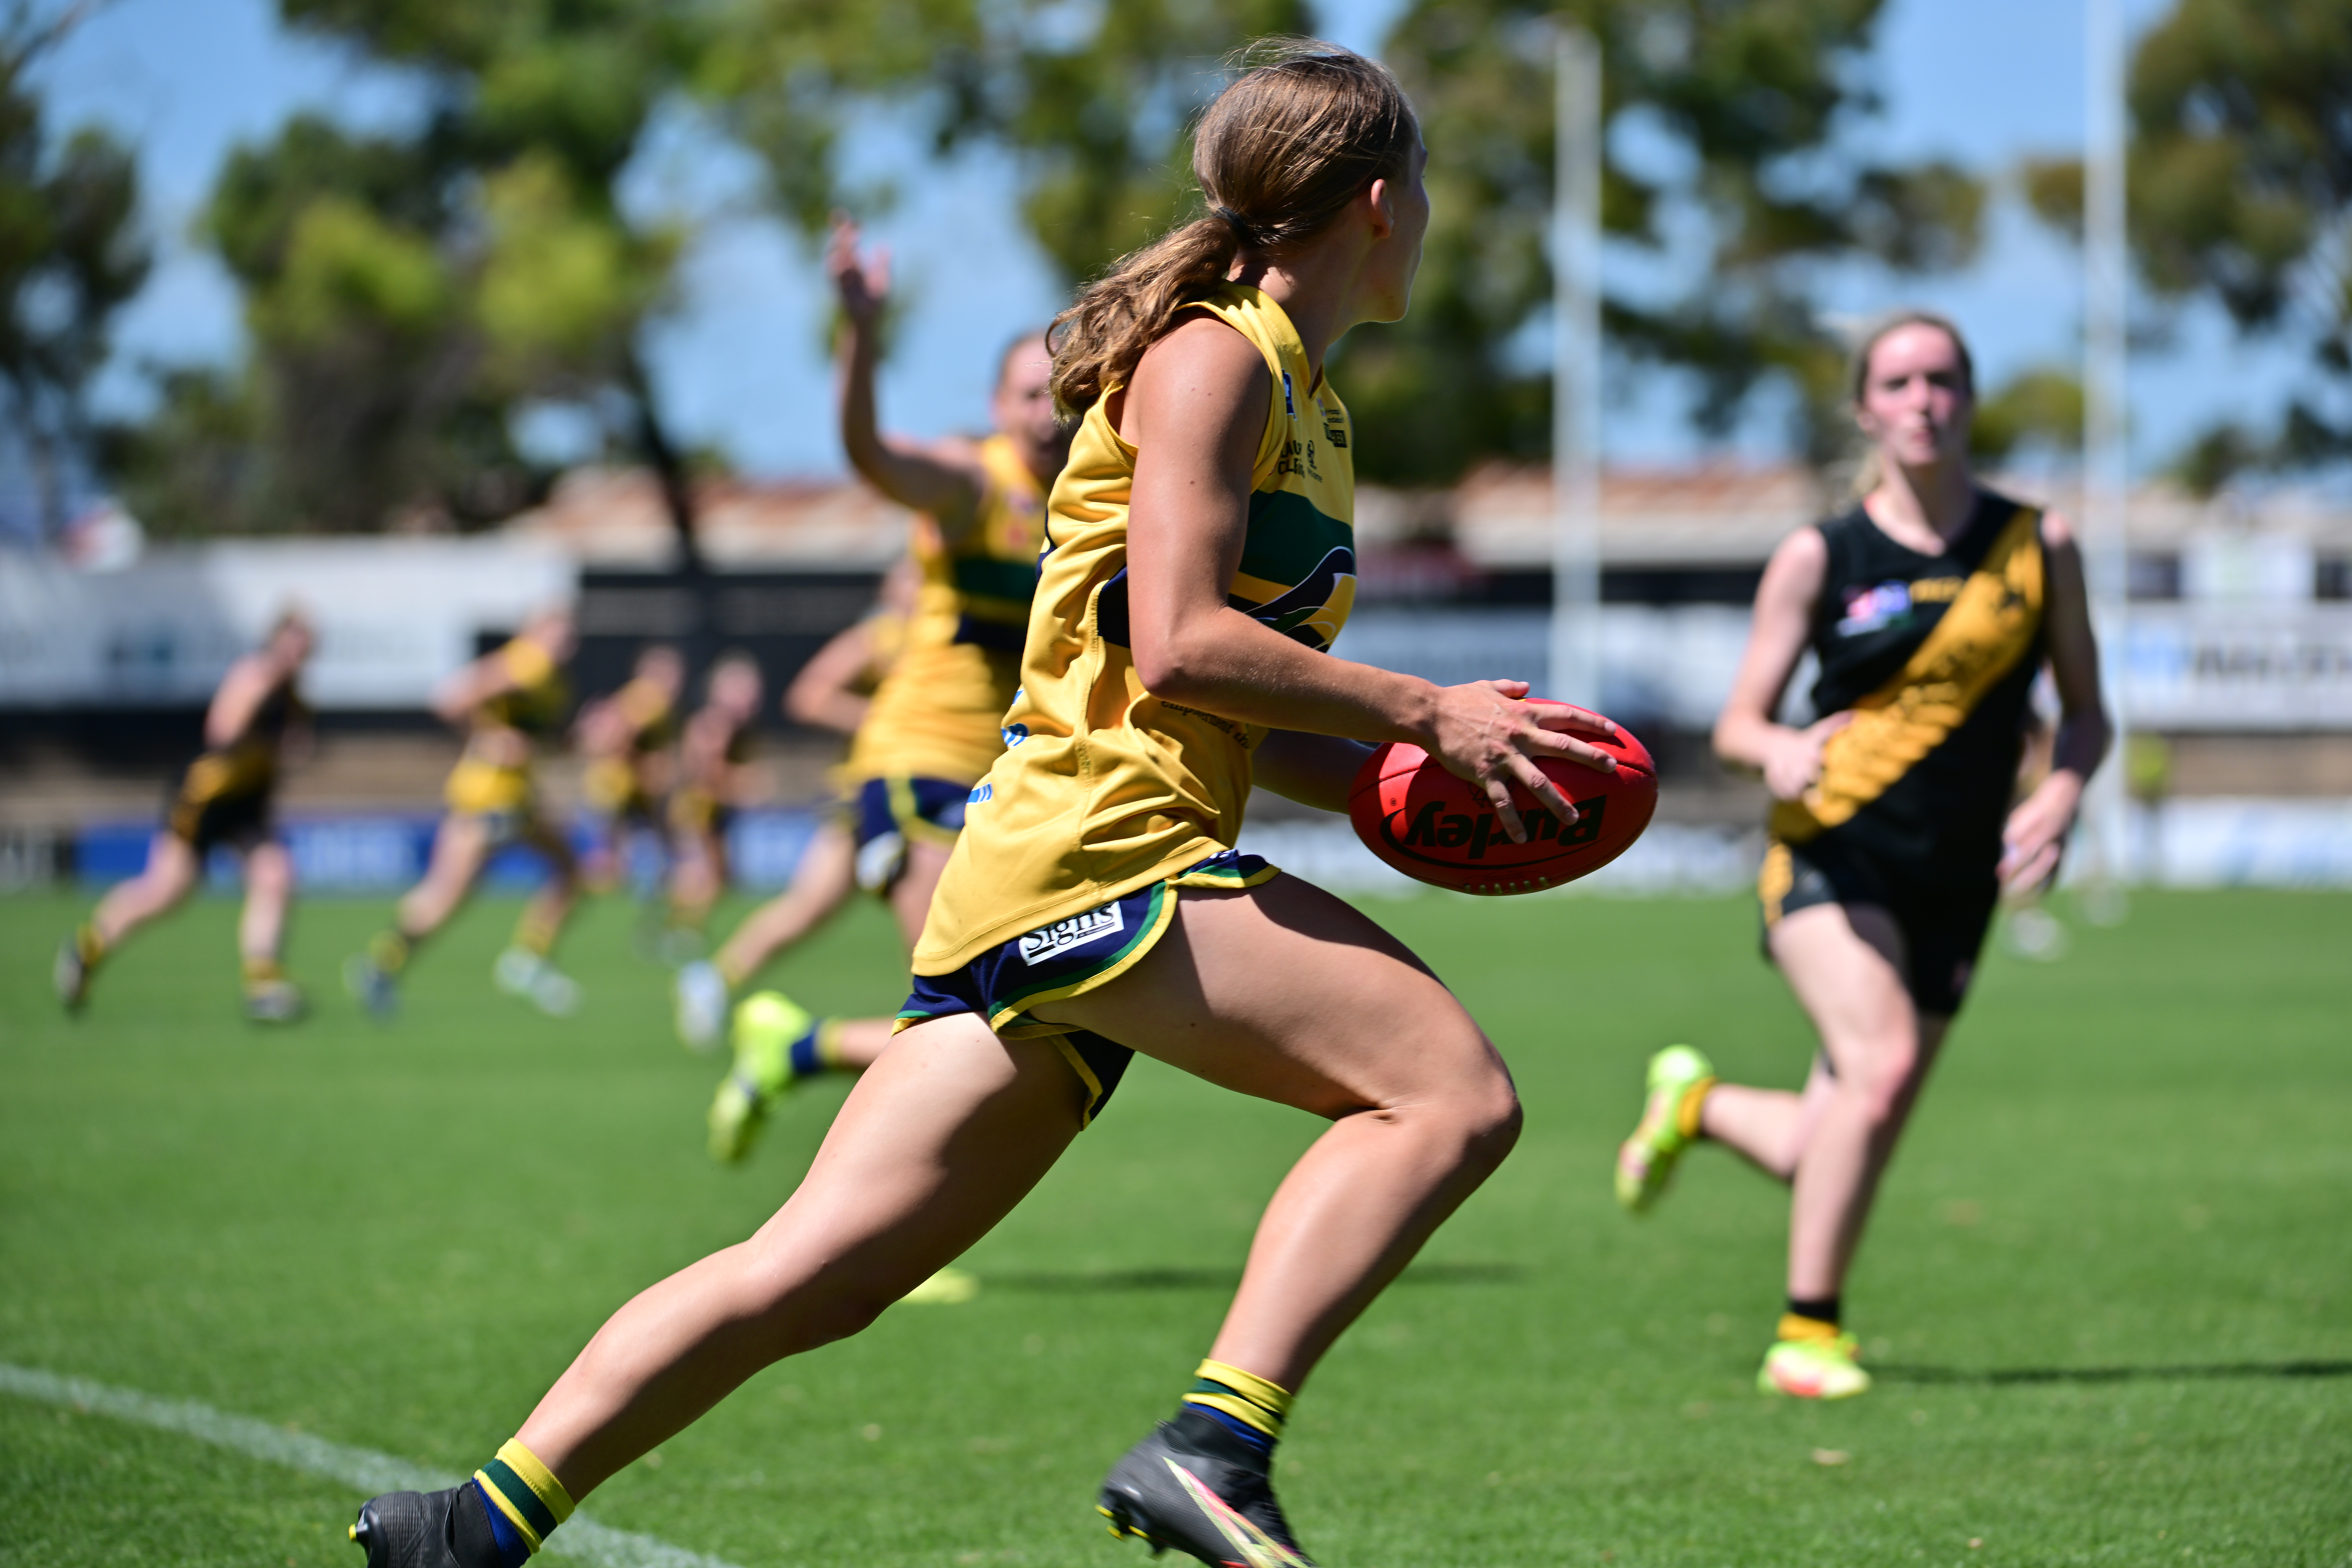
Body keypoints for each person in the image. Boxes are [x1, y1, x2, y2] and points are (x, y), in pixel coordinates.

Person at [346, 42, 1619, 1568]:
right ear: (1374, 201)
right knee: (1451, 1097)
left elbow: (1216, 696)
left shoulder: (1315, 405)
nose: (1428, 212)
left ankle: (476, 1526)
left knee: (812, 1272)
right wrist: (1426, 708)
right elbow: (1182, 636)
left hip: (1048, 862)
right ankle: (1217, 1443)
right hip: (1106, 848)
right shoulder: (1214, 355)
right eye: (1423, 183)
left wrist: (1416, 781)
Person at [1611, 310, 2110, 1401]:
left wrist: (2064, 792)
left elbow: (2084, 715)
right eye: (1897, 382)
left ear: (1968, 399)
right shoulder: (1819, 555)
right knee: (1875, 1074)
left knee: (1840, 1135)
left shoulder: (2040, 546)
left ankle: (1695, 1104)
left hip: (1957, 876)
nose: (1922, 399)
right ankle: (1806, 1335)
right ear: (1865, 409)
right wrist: (1778, 748)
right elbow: (1739, 723)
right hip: (1830, 854)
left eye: (1941, 379)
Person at [673, 217, 1068, 1162]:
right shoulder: (977, 485)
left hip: (996, 785)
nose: (1046, 410)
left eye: (1064, 391)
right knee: (958, 1015)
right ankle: (890, 1237)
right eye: (1026, 393)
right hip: (915, 767)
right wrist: (859, 334)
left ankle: (794, 1046)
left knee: (1015, 1023)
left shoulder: (1094, 500)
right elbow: (872, 455)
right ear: (994, 403)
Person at [55, 610, 315, 1022]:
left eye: (308, 646)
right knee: (167, 892)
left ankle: (262, 984)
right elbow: (222, 734)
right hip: (205, 796)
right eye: (296, 643)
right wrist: (262, 715)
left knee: (275, 874)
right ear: (277, 641)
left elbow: (281, 756)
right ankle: (87, 948)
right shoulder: (253, 676)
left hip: (246, 802)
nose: (302, 653)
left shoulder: (295, 696)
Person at [343, 609, 585, 1019]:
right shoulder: (525, 662)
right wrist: (490, 739)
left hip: (516, 799)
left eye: (572, 635)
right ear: (537, 631)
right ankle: (380, 965)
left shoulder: (554, 684)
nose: (568, 642)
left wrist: (580, 740)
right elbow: (451, 698)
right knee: (445, 898)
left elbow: (540, 744)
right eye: (560, 632)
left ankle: (527, 961)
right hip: (485, 798)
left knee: (567, 868)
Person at [662, 652, 765, 946]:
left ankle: (680, 929)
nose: (752, 698)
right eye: (745, 690)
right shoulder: (713, 725)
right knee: (701, 874)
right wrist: (742, 783)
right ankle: (677, 930)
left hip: (710, 810)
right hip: (695, 808)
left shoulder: (736, 728)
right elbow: (708, 774)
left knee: (718, 876)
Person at [573, 644, 683, 899]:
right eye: (670, 674)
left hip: (619, 789)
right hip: (616, 789)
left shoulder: (650, 702)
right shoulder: (650, 701)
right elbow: (614, 737)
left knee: (624, 861)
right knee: (613, 865)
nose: (677, 681)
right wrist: (646, 764)